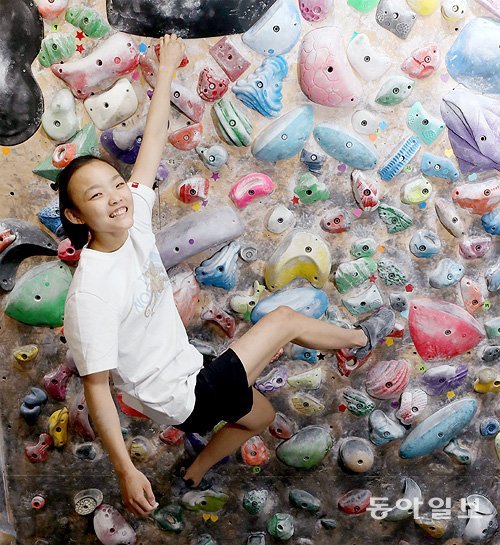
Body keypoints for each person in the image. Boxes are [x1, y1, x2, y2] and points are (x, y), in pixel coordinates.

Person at [59, 33, 396, 518]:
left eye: (116, 184)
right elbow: (95, 390)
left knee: (260, 416)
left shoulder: (130, 218)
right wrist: (125, 470)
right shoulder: (90, 293)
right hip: (183, 397)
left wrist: (167, 69)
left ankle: (195, 470)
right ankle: (361, 339)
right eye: (96, 196)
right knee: (282, 320)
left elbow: (152, 146)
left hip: (189, 372)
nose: (116, 197)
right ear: (74, 215)